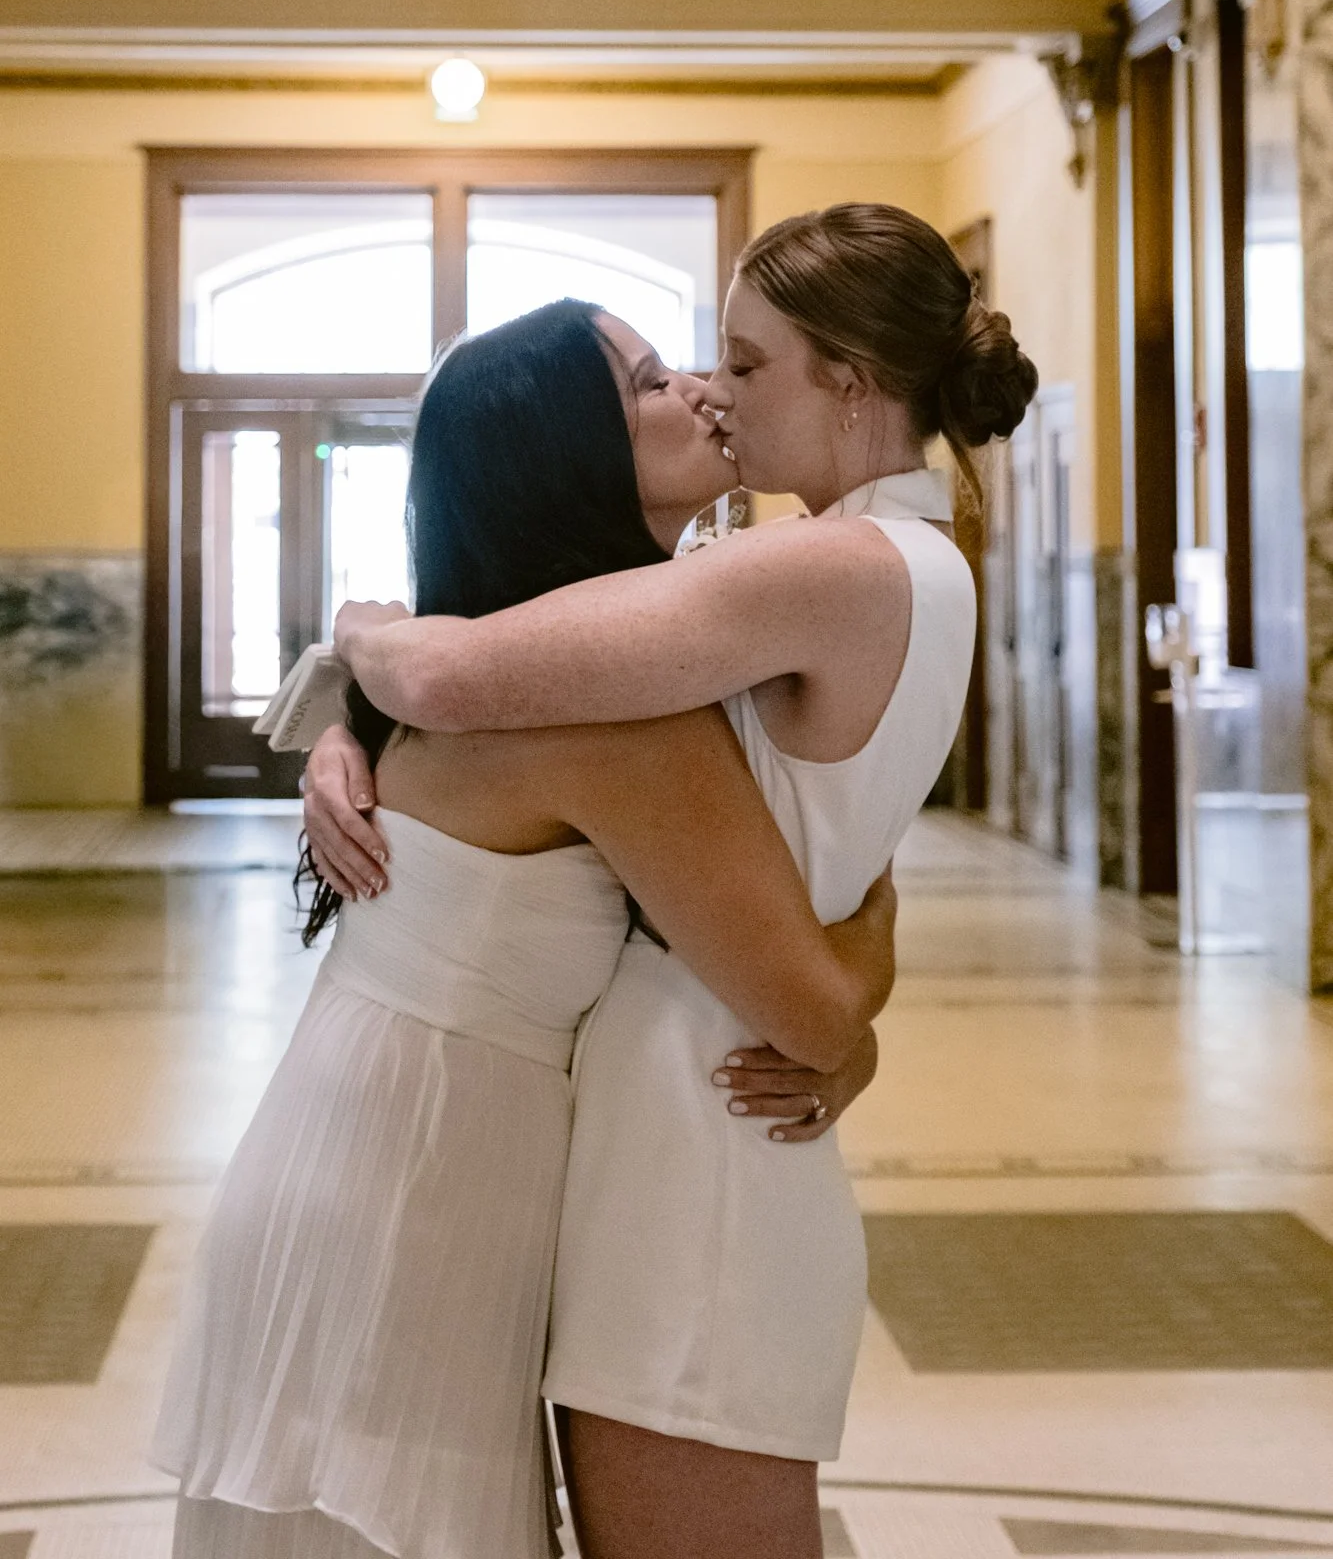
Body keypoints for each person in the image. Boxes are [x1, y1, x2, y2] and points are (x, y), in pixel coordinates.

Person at [308, 202, 1038, 1559]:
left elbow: (459, 671)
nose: (715, 391)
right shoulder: (895, 560)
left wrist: (356, 635)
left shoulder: (824, 564)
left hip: (697, 1126)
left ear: (851, 382)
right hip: (698, 1095)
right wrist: (345, 730)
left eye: (745, 364)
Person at [154, 299, 899, 1559]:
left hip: (368, 1155)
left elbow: (388, 635)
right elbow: (816, 1013)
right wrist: (872, 902)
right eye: (649, 383)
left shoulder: (503, 660)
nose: (701, 388)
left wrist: (347, 667)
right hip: (410, 1190)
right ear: (567, 457)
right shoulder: (604, 715)